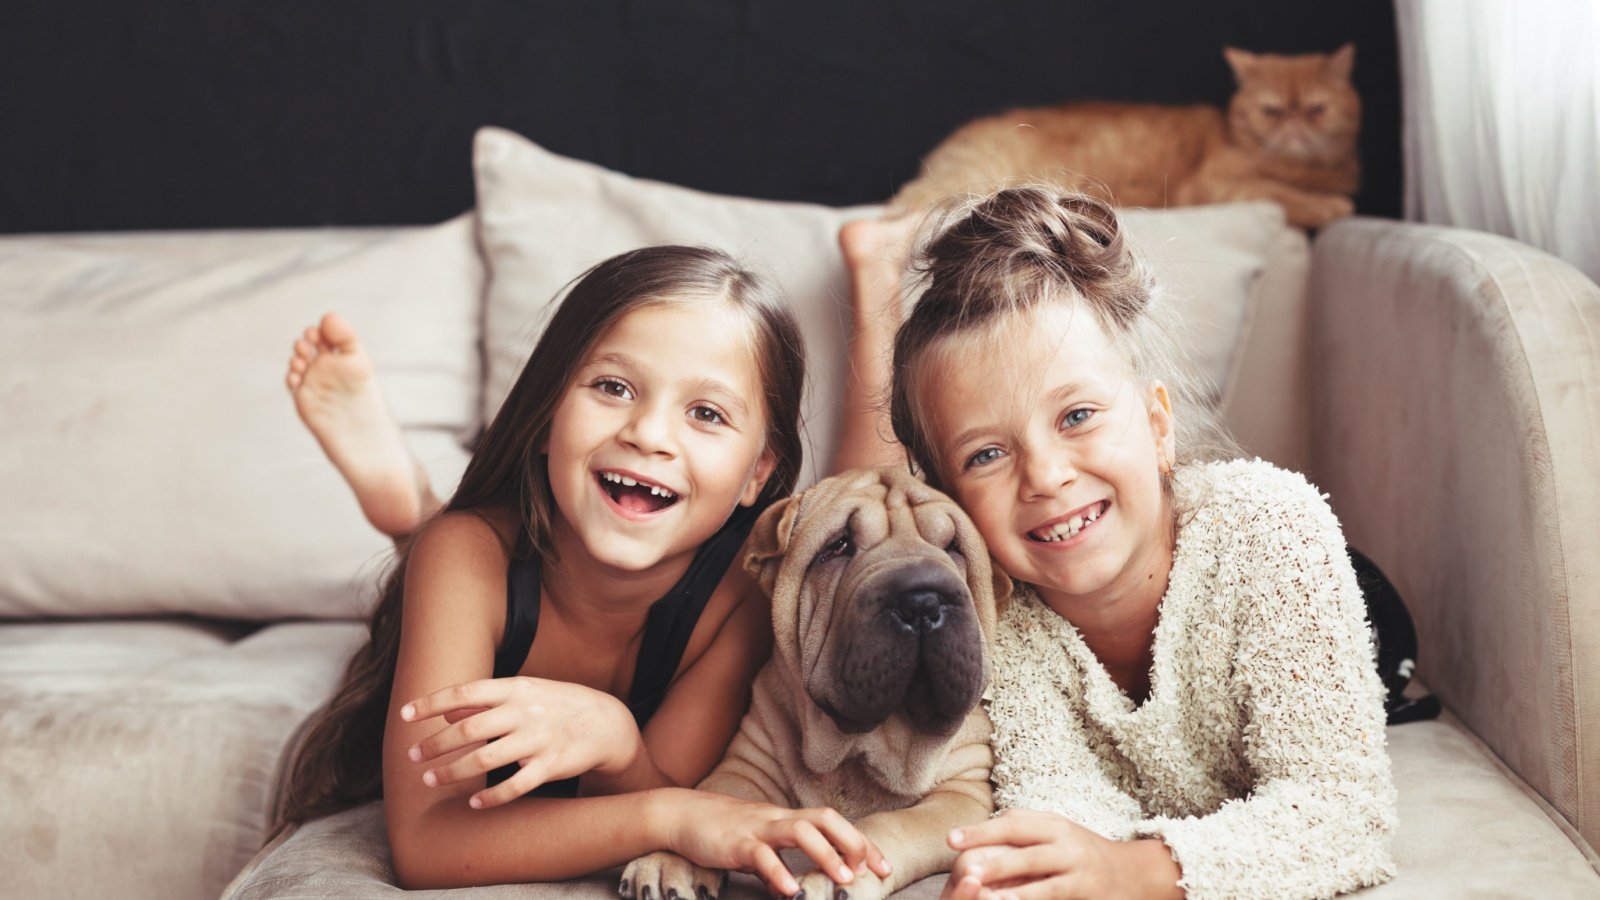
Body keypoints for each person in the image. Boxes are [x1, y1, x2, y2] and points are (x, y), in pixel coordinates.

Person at [279, 245, 895, 892]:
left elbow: (669, 786)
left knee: (844, 529)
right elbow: (428, 842)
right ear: (546, 419)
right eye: (613, 387)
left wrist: (619, 746)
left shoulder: (742, 597)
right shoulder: (468, 555)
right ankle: (412, 513)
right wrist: (668, 811)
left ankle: (413, 505)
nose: (649, 434)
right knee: (441, 545)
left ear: (757, 475)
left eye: (706, 414)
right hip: (496, 556)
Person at [852, 186, 1396, 899]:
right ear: (953, 503)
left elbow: (1341, 813)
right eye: (986, 455)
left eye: (1077, 415)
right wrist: (1043, 869)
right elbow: (1055, 792)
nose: (1046, 476)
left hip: (1334, 599)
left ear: (1158, 426)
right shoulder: (999, 616)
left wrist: (1134, 870)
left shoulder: (1269, 527)